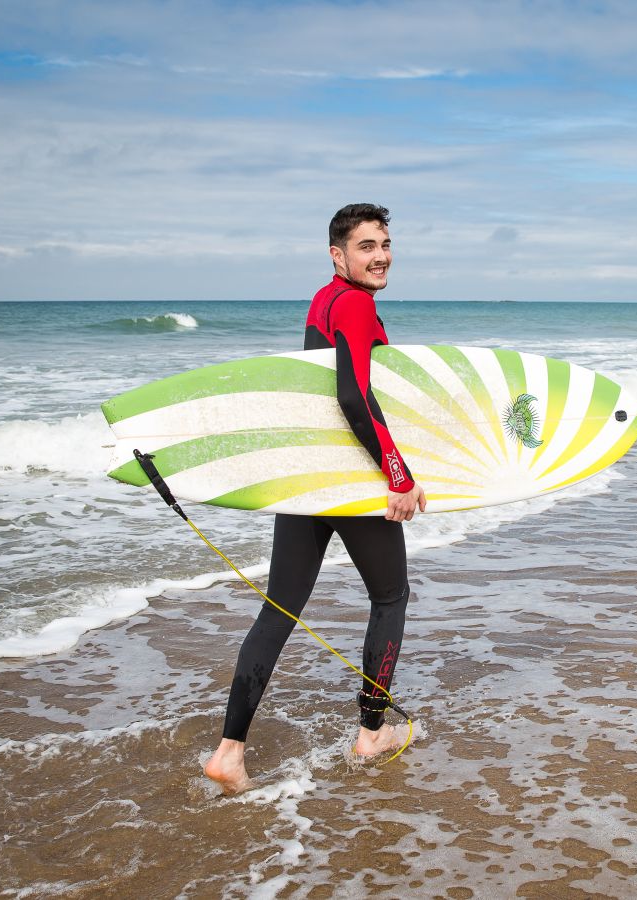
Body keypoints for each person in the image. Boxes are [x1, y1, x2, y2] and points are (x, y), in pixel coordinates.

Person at [204, 204, 426, 792]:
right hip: (350, 480)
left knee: (278, 610)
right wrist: (397, 474)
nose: (380, 256)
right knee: (390, 597)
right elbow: (354, 398)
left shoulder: (323, 299)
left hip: (307, 476)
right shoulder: (355, 305)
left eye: (384, 244)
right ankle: (371, 733)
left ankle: (229, 753)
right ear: (338, 254)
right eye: (366, 246)